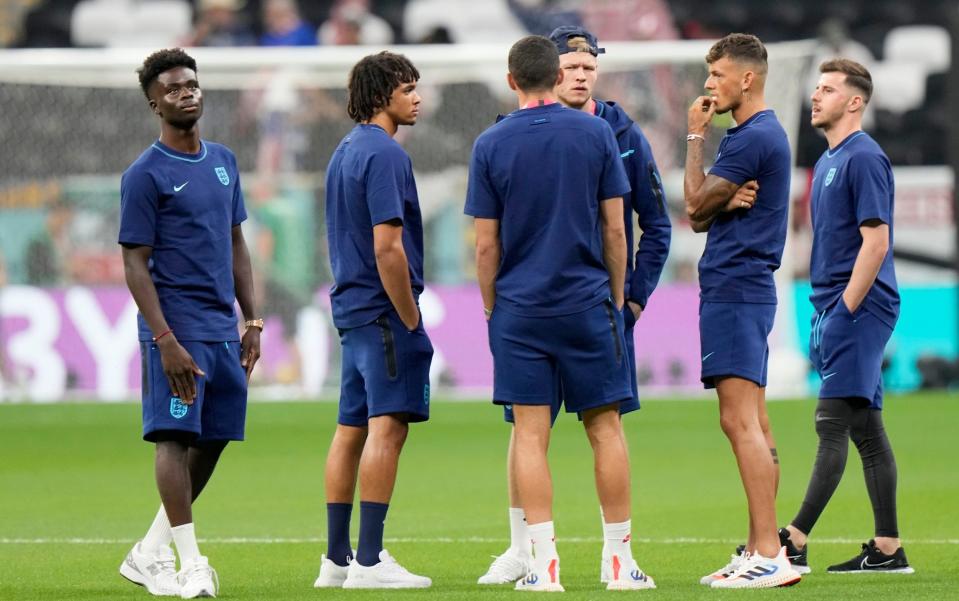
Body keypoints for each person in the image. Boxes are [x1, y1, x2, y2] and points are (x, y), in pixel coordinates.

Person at [477, 25, 669, 589]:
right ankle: (619, 562)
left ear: (514, 79)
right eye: (574, 65)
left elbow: (486, 243)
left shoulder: (493, 141)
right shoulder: (597, 136)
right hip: (587, 303)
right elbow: (618, 228)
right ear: (554, 73)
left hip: (520, 308)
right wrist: (614, 297)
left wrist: (492, 307)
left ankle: (542, 564)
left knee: (529, 435)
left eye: (591, 65)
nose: (583, 73)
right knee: (606, 430)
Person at [118, 48, 262, 599]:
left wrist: (253, 319)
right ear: (155, 103)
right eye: (174, 89)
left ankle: (149, 551)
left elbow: (236, 243)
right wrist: (163, 339)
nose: (187, 94)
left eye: (193, 85)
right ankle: (191, 561)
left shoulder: (223, 160)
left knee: (217, 437)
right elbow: (134, 263)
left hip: (222, 327)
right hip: (174, 331)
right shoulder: (144, 174)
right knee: (175, 437)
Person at [779, 59, 913, 575]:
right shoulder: (830, 160)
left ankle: (792, 539)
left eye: (829, 89)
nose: (816, 96)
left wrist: (843, 311)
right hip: (838, 306)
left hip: (859, 306)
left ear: (854, 102)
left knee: (830, 422)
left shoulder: (864, 158)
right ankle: (887, 549)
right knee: (866, 430)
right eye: (816, 87)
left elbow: (875, 243)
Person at [683, 33, 801, 588]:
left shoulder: (750, 138)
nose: (709, 86)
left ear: (746, 78)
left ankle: (771, 555)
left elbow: (690, 204)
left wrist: (694, 137)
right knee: (754, 419)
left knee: (737, 420)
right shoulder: (762, 135)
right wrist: (718, 200)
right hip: (748, 285)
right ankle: (761, 547)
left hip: (736, 285)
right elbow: (703, 213)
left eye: (717, 75)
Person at [313, 51, 433, 590]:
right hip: (383, 311)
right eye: (408, 88)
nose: (417, 97)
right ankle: (369, 560)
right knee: (389, 428)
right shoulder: (385, 154)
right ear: (383, 93)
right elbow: (388, 247)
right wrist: (409, 315)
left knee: (350, 430)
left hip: (352, 310)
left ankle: (336, 559)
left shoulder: (345, 151)